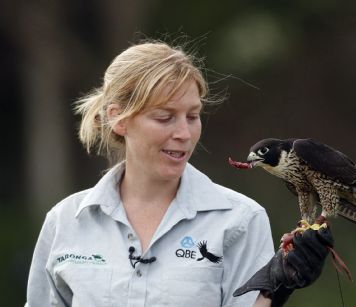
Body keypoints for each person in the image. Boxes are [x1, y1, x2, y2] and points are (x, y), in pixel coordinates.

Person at [25, 40, 332, 307]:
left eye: (193, 116)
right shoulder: (65, 221)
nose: (184, 133)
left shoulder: (241, 220)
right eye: (165, 117)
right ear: (118, 119)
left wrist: (274, 290)